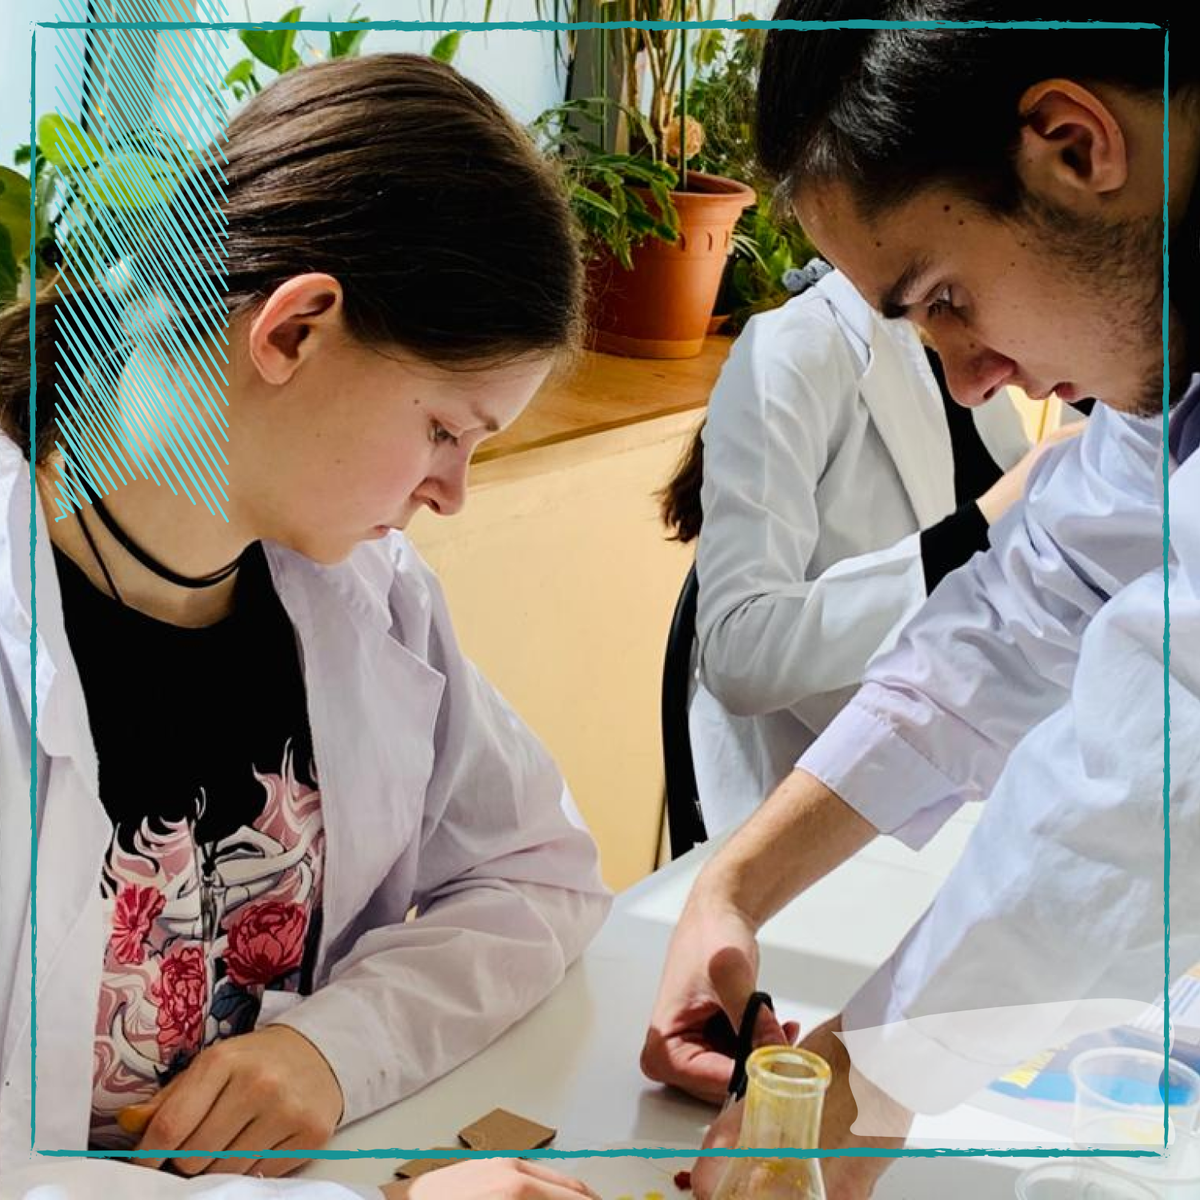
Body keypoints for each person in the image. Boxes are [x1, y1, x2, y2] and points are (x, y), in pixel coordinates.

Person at [0, 54, 610, 1200]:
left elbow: (540, 875)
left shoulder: (366, 593)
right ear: (293, 331)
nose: (451, 494)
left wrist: (334, 1048)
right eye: (445, 430)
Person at [640, 4, 1199, 1198]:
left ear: (1074, 145)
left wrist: (866, 1074)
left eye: (945, 297)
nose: (969, 374)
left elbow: (1157, 772)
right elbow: (1030, 605)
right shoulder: (1164, 355)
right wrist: (734, 884)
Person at [660, 260, 1085, 835]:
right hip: (817, 807)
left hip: (974, 776)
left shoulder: (968, 351)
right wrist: (983, 522)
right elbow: (738, 653)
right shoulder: (796, 349)